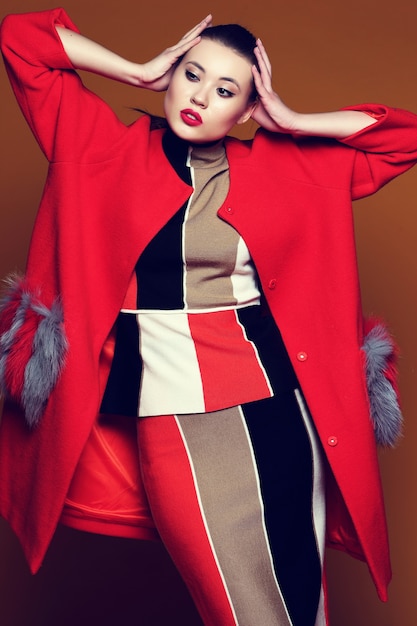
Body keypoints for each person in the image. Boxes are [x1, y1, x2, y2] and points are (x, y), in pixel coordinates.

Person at [0, 7, 416, 626]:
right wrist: (136, 70)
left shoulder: (288, 167)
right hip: (172, 408)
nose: (199, 96)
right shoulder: (96, 146)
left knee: (301, 600)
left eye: (226, 90)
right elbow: (21, 40)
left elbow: (403, 138)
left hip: (277, 408)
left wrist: (293, 120)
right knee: (242, 608)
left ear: (248, 109)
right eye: (191, 75)